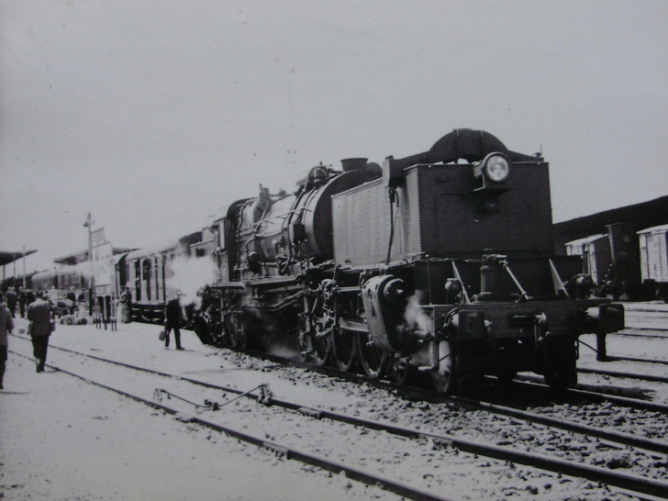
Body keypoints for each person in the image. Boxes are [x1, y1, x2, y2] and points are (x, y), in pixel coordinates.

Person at [27, 291, 53, 373]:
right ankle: (41, 366)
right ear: (42, 296)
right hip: (45, 330)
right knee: (44, 348)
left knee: (36, 347)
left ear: (35, 296)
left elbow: (29, 318)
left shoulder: (31, 305)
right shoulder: (46, 304)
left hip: (35, 331)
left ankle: (37, 360)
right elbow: (50, 314)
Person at [0, 292, 15, 390]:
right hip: (2, 340)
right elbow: (11, 326)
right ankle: (0, 381)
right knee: (1, 362)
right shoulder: (6, 311)